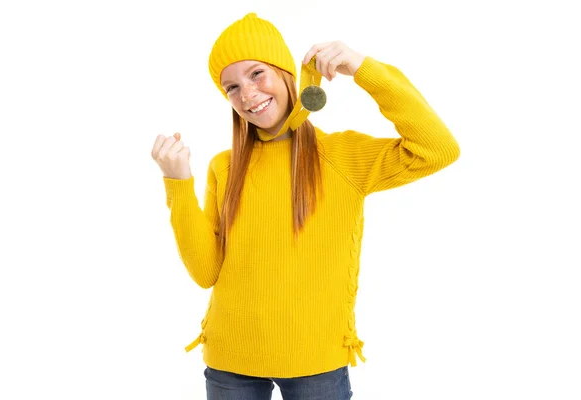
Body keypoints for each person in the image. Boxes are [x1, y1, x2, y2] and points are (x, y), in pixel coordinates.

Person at [151, 12, 460, 400]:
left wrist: (363, 69)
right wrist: (178, 183)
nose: (246, 95)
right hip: (230, 360)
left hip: (316, 362)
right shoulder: (223, 166)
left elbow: (438, 150)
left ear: (285, 73)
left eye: (257, 74)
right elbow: (205, 271)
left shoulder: (340, 156)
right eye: (231, 86)